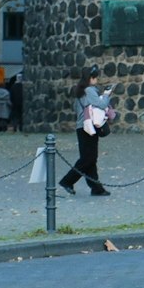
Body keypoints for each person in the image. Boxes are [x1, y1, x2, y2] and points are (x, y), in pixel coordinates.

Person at [56, 68, 111, 196]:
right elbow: (101, 104)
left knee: (90, 158)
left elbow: (78, 109)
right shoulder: (90, 90)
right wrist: (107, 95)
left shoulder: (80, 92)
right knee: (88, 159)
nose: (97, 80)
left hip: (82, 126)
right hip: (89, 127)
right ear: (90, 78)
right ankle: (67, 181)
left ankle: (96, 188)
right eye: (95, 77)